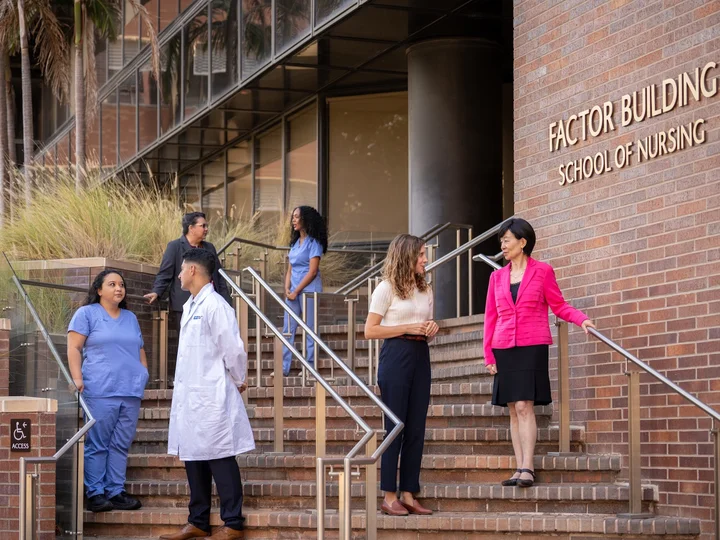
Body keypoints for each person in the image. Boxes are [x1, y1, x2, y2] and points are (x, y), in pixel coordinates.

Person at [483, 218, 595, 488]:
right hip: (503, 347)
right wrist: (489, 355)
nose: (503, 245)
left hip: (532, 346)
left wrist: (581, 319)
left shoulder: (543, 272)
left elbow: (559, 305)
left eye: (506, 240)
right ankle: (517, 466)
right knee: (512, 409)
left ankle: (528, 467)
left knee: (524, 406)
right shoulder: (496, 276)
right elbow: (490, 317)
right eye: (502, 240)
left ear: (523, 242)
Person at [161, 248, 254, 540]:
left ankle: (233, 522)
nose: (178, 274)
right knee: (194, 455)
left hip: (212, 393)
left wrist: (239, 378)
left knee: (220, 456)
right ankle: (198, 520)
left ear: (192, 271)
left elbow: (233, 349)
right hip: (191, 394)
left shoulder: (216, 306)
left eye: (181, 269)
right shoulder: (190, 306)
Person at [364, 234, 439, 517]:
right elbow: (370, 330)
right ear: (406, 256)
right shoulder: (386, 289)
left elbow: (424, 325)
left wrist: (431, 329)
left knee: (416, 428)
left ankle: (409, 492)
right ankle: (389, 495)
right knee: (395, 426)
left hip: (421, 356)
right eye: (420, 254)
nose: (425, 259)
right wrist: (408, 328)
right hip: (395, 356)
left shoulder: (426, 289)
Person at [67, 269, 149, 512]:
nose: (118, 288)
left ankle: (116, 491)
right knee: (98, 443)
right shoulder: (87, 314)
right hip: (100, 389)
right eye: (112, 284)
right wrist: (77, 377)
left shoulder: (131, 317)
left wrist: (143, 373)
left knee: (121, 444)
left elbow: (140, 348)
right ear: (99, 290)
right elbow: (73, 347)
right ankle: (95, 493)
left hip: (130, 390)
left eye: (121, 285)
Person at [144, 212, 232, 322]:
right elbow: (165, 273)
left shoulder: (209, 247)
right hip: (184, 304)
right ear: (191, 228)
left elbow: (218, 277)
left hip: (210, 304)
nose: (206, 229)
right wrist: (156, 291)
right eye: (203, 226)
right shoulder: (175, 246)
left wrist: (227, 301)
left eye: (206, 226)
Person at [280, 206, 328, 377]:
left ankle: (309, 368)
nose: (293, 220)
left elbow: (313, 271)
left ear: (305, 219)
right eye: (292, 217)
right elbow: (290, 269)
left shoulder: (314, 243)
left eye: (297, 217)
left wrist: (297, 290)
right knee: (287, 328)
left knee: (310, 329)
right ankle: (283, 368)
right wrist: (287, 288)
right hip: (293, 291)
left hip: (308, 290)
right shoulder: (294, 244)